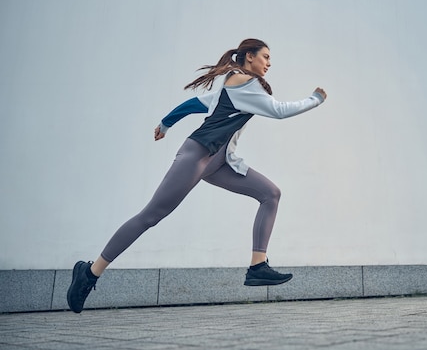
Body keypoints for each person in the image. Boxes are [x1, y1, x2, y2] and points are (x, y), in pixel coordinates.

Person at [67, 38, 327, 313]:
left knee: (270, 194)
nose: (269, 63)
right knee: (151, 216)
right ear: (249, 56)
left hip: (218, 161)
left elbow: (197, 103)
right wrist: (315, 99)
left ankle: (257, 266)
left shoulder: (233, 83)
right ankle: (90, 273)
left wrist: (166, 123)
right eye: (265, 56)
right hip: (197, 156)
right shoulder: (245, 82)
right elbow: (279, 110)